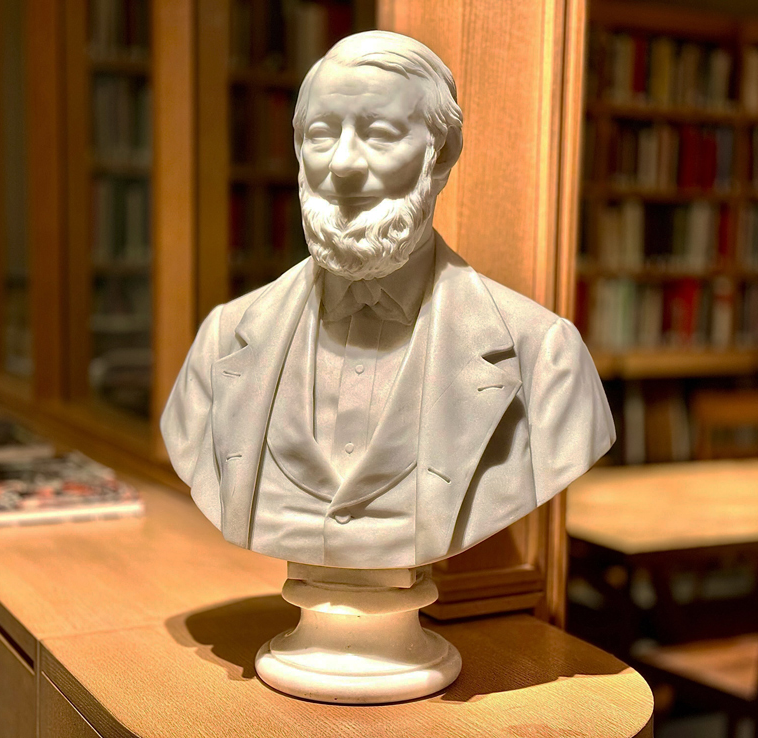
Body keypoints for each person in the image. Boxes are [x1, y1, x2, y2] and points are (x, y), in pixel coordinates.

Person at [161, 30, 615, 569]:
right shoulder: (221, 338)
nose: (345, 164)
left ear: (440, 153)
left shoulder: (546, 356)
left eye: (378, 134)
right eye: (323, 135)